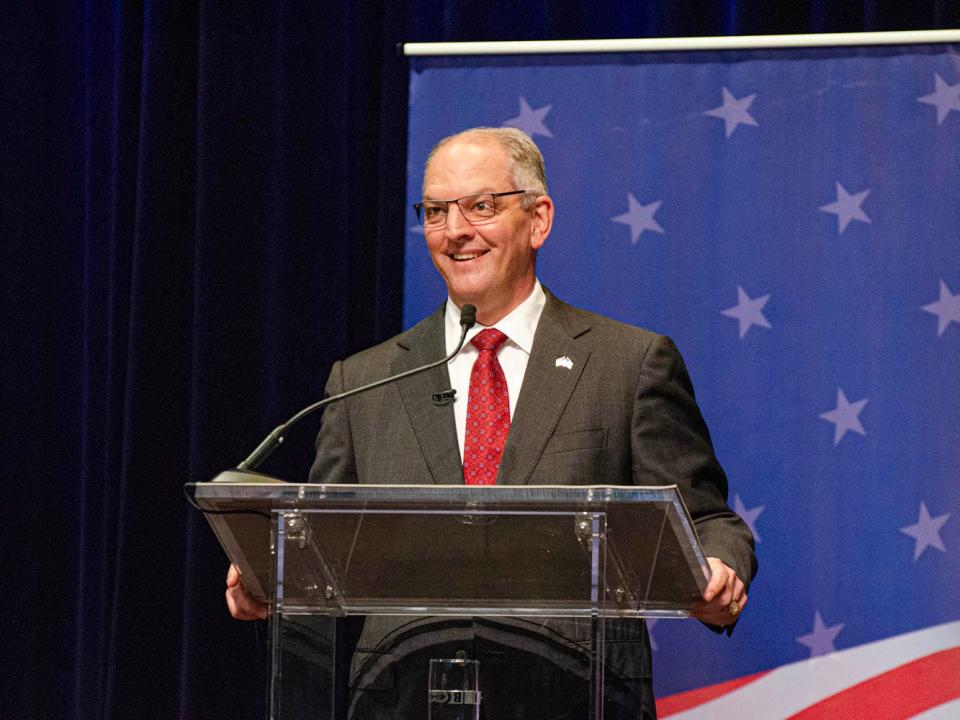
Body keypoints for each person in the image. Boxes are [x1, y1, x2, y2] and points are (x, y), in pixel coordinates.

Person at [227, 127, 757, 718]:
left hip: (574, 696)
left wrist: (721, 569)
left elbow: (707, 519)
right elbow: (319, 548)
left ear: (539, 219)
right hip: (401, 699)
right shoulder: (364, 380)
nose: (455, 231)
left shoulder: (627, 364)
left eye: (481, 206)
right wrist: (270, 575)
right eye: (435, 211)